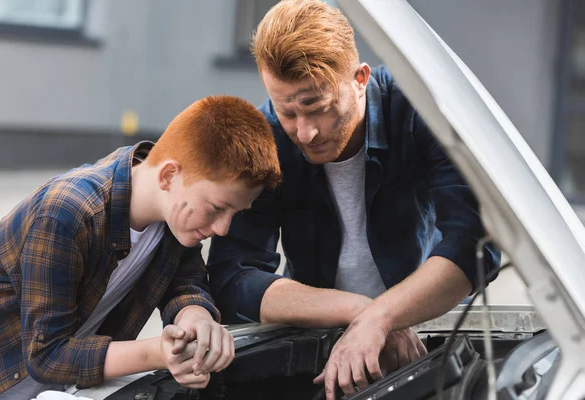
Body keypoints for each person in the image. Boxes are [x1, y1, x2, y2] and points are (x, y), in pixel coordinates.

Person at [206, 1, 500, 399]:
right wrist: (363, 312)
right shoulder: (269, 139)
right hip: (319, 344)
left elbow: (473, 246)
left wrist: (383, 316)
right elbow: (233, 275)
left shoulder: (419, 111)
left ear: (359, 78)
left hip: (429, 338)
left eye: (317, 108)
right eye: (286, 111)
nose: (304, 132)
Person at [0, 95, 282, 399]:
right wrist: (159, 353)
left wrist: (198, 320)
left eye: (235, 213)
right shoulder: (67, 212)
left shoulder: (175, 217)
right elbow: (48, 356)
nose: (223, 229)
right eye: (218, 208)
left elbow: (185, 285)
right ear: (168, 175)